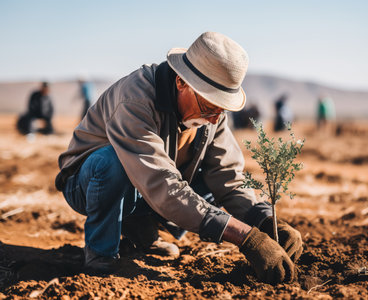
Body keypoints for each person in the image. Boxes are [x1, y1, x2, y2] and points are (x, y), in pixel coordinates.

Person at [55, 32, 302, 284]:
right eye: (210, 105)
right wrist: (245, 238)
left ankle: (141, 226)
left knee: (210, 180)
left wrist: (262, 221)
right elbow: (161, 182)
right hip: (88, 183)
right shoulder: (136, 100)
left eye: (222, 108)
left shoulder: (212, 115)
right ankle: (101, 254)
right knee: (112, 162)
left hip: (147, 187)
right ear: (181, 82)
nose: (216, 118)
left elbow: (228, 176)